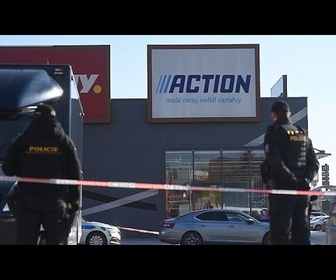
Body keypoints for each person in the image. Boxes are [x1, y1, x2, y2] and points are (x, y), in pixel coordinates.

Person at [1, 103, 82, 245]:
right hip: (55, 204)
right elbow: (74, 175)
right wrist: (73, 204)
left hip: (27, 203)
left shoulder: (23, 141)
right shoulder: (64, 141)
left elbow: (7, 169)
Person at [262, 100, 319, 245]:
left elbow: (275, 162)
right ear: (289, 114)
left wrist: (291, 180)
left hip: (283, 192)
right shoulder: (302, 134)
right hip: (302, 194)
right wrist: (305, 180)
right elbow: (314, 162)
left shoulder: (274, 133)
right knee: (301, 233)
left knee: (281, 235)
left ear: (273, 115)